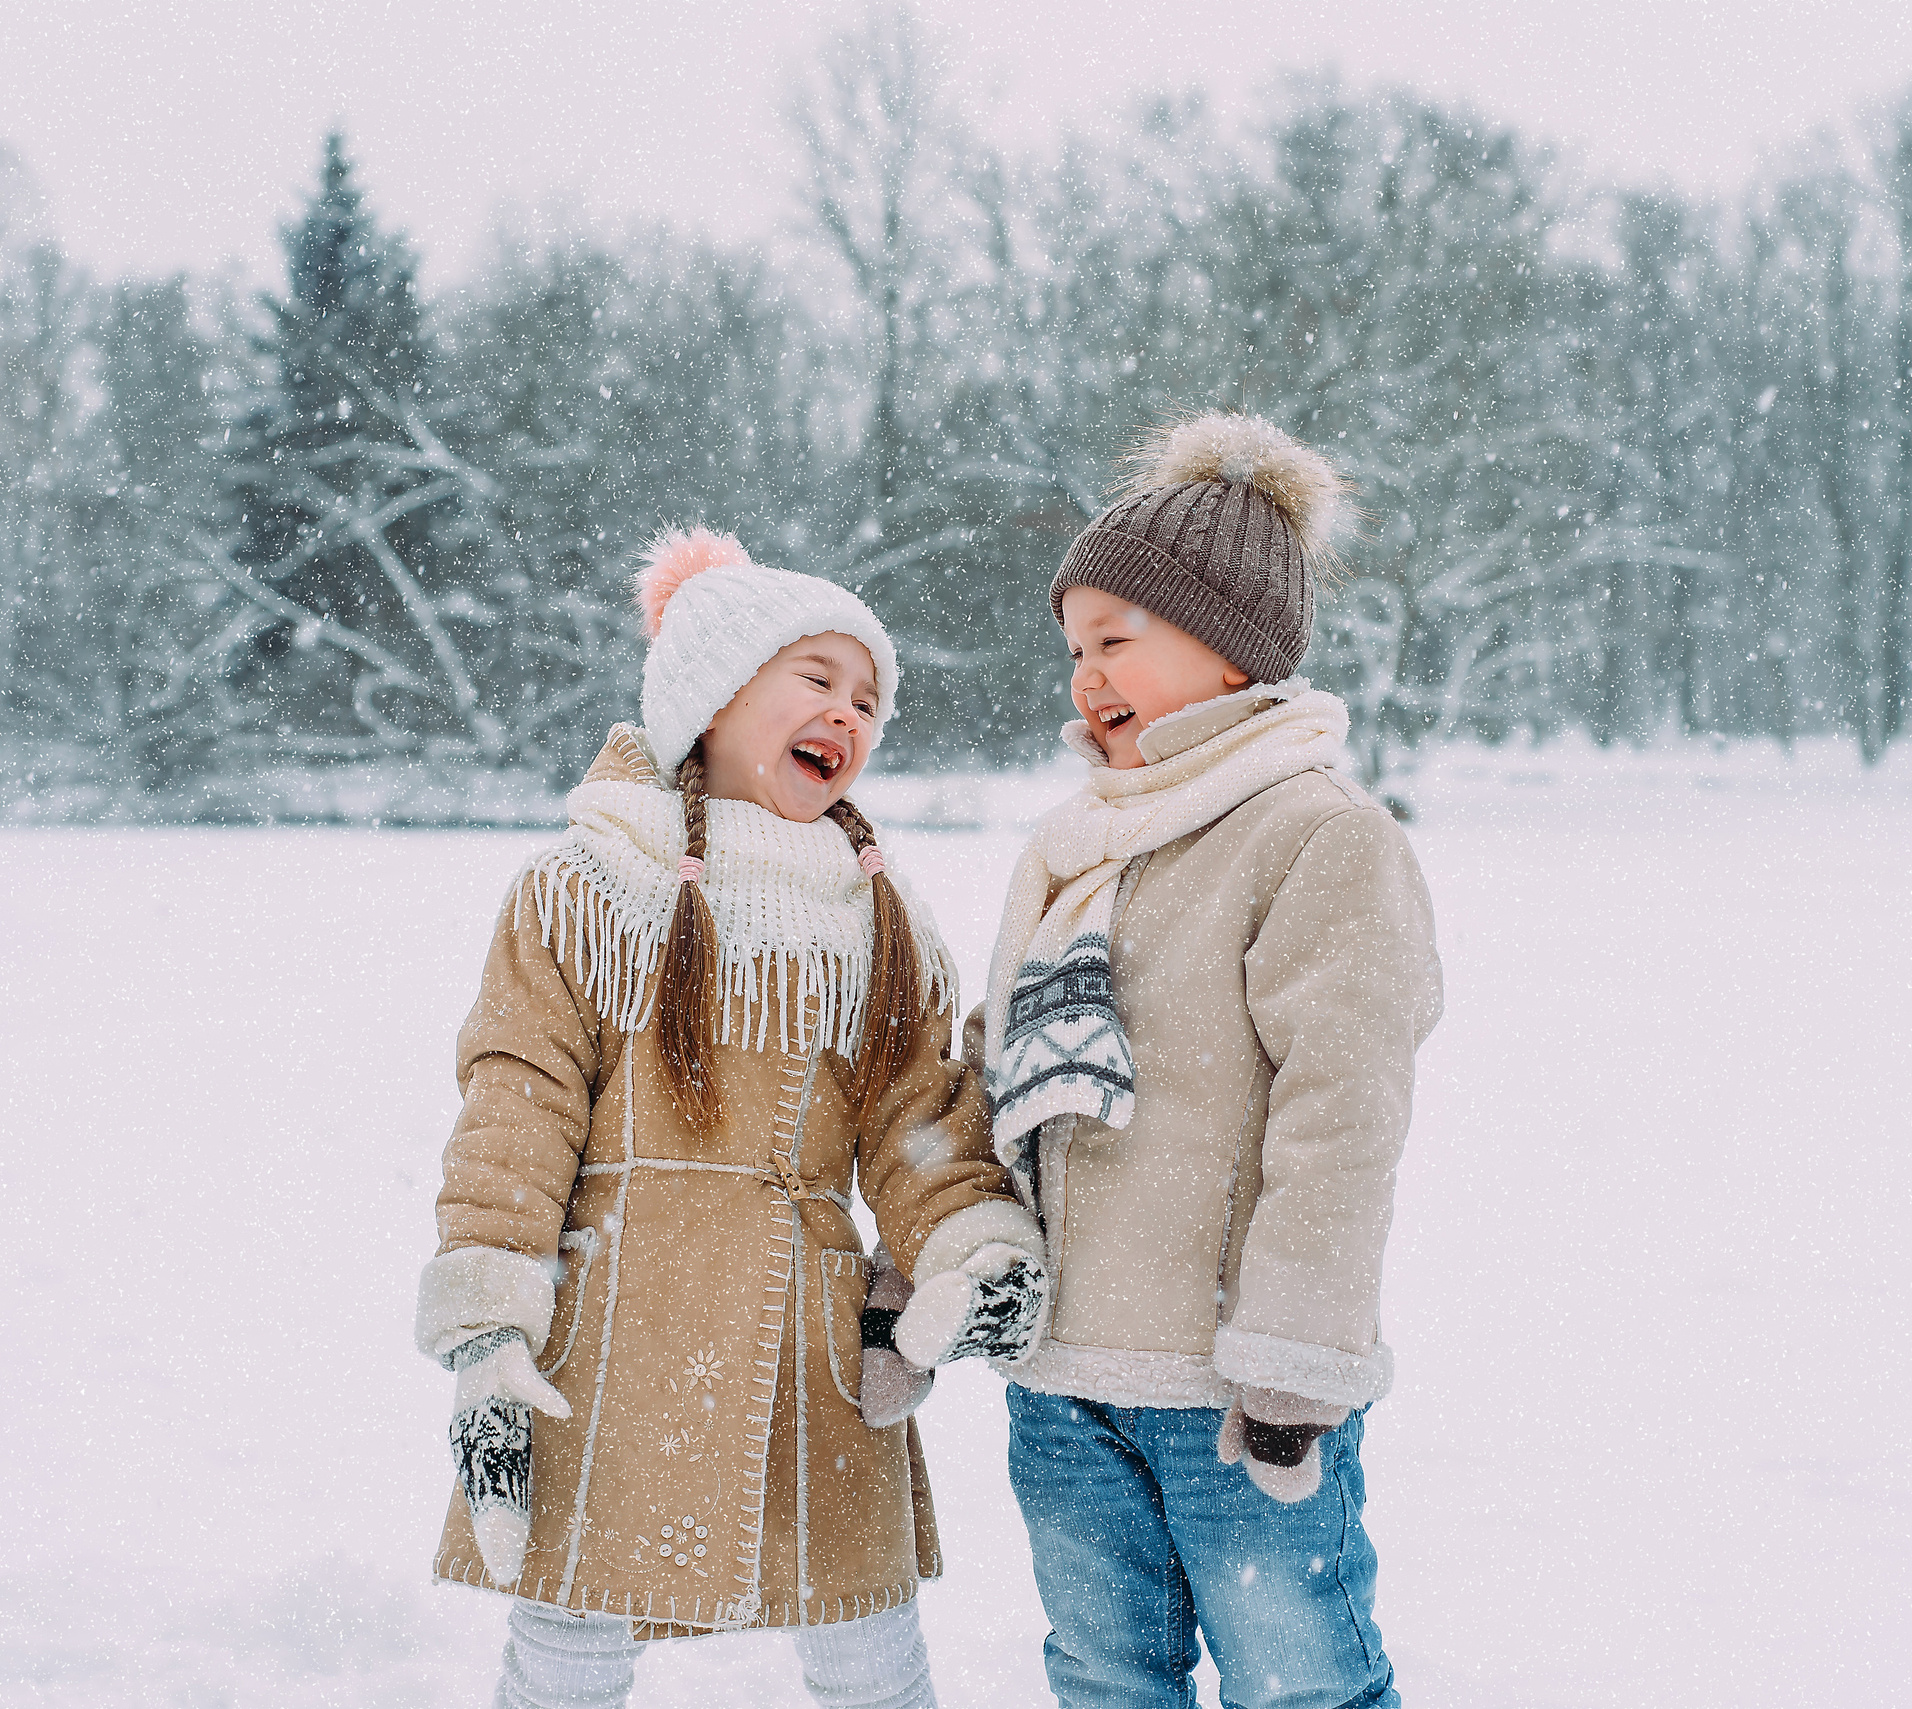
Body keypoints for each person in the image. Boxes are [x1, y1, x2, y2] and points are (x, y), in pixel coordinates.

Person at [415, 528, 1048, 1709]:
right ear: (711, 696)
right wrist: (489, 1313)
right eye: (816, 678)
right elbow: (519, 1098)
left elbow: (919, 1122)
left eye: (868, 698)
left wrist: (967, 1245)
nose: (847, 713)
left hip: (806, 1326)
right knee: (571, 1625)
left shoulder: (878, 917)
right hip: (605, 1318)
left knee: (864, 1626)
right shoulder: (588, 884)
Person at [981, 414, 1443, 1709]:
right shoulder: (1077, 845)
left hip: (1236, 1393)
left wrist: (1297, 1353)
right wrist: (948, 1266)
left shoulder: (1316, 837)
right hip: (1063, 1379)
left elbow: (1340, 1118)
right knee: (1102, 1677)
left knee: (1302, 1685)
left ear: (1230, 642)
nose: (1085, 675)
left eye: (1116, 638)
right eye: (1073, 646)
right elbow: (997, 1080)